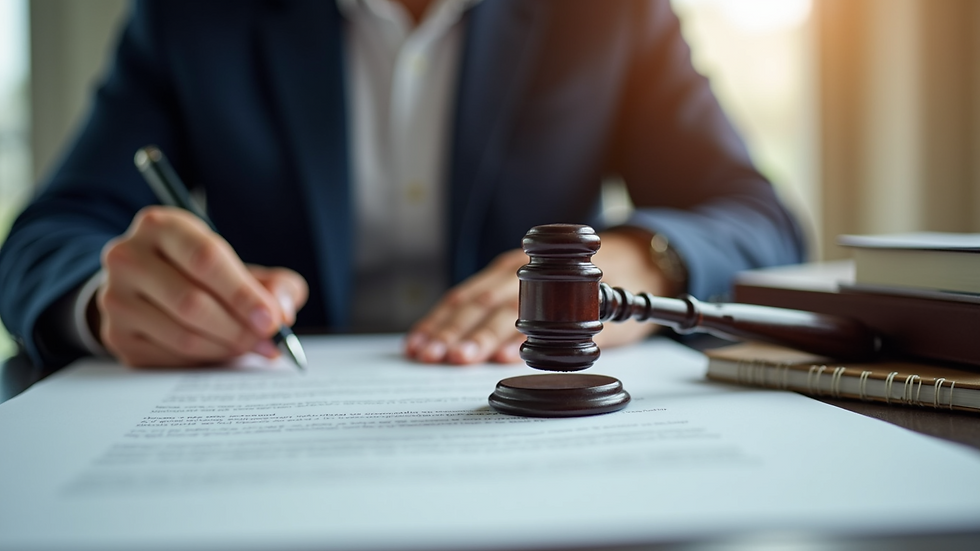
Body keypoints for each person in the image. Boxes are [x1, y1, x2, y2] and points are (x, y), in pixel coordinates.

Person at [0, 0, 805, 369]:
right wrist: (105, 300)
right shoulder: (191, 16)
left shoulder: (609, 14)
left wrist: (645, 260)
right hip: (268, 444)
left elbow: (760, 218)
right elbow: (50, 235)